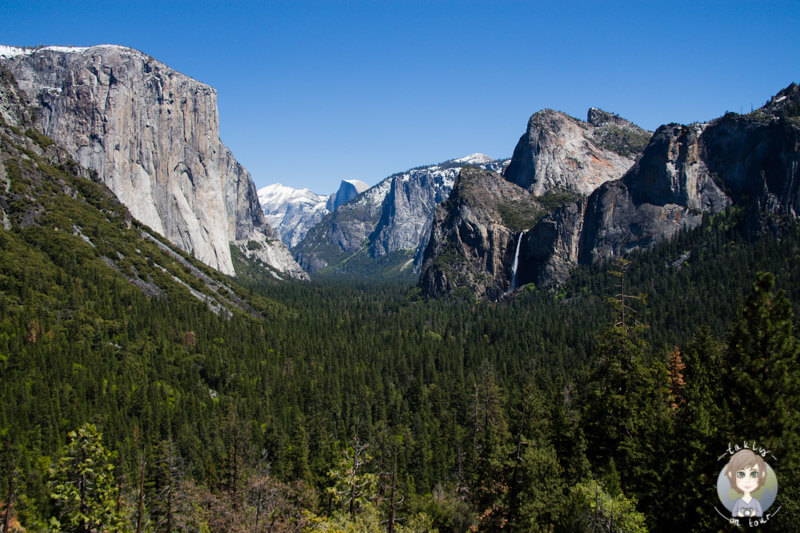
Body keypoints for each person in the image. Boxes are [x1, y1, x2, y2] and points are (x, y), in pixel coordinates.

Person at [725, 449, 767, 518]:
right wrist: (739, 513)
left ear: (762, 475)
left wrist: (754, 513)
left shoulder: (755, 502)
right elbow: (733, 514)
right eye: (741, 474)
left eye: (754, 474)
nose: (747, 480)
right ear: (731, 475)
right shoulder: (738, 502)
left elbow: (760, 513)